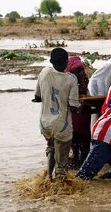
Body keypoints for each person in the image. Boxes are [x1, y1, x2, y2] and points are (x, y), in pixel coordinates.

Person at [34, 48, 81, 179]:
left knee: (51, 146)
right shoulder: (71, 79)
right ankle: (60, 189)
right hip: (62, 126)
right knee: (61, 166)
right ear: (67, 62)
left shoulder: (44, 72)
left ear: (51, 61)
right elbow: (73, 105)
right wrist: (80, 107)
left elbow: (37, 96)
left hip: (44, 123)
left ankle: (48, 176)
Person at [65, 56, 91, 169]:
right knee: (74, 139)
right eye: (77, 71)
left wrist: (80, 79)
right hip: (73, 112)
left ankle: (84, 164)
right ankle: (75, 161)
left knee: (85, 139)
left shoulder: (83, 78)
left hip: (83, 111)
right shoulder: (66, 79)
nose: (80, 73)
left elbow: (86, 91)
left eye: (81, 70)